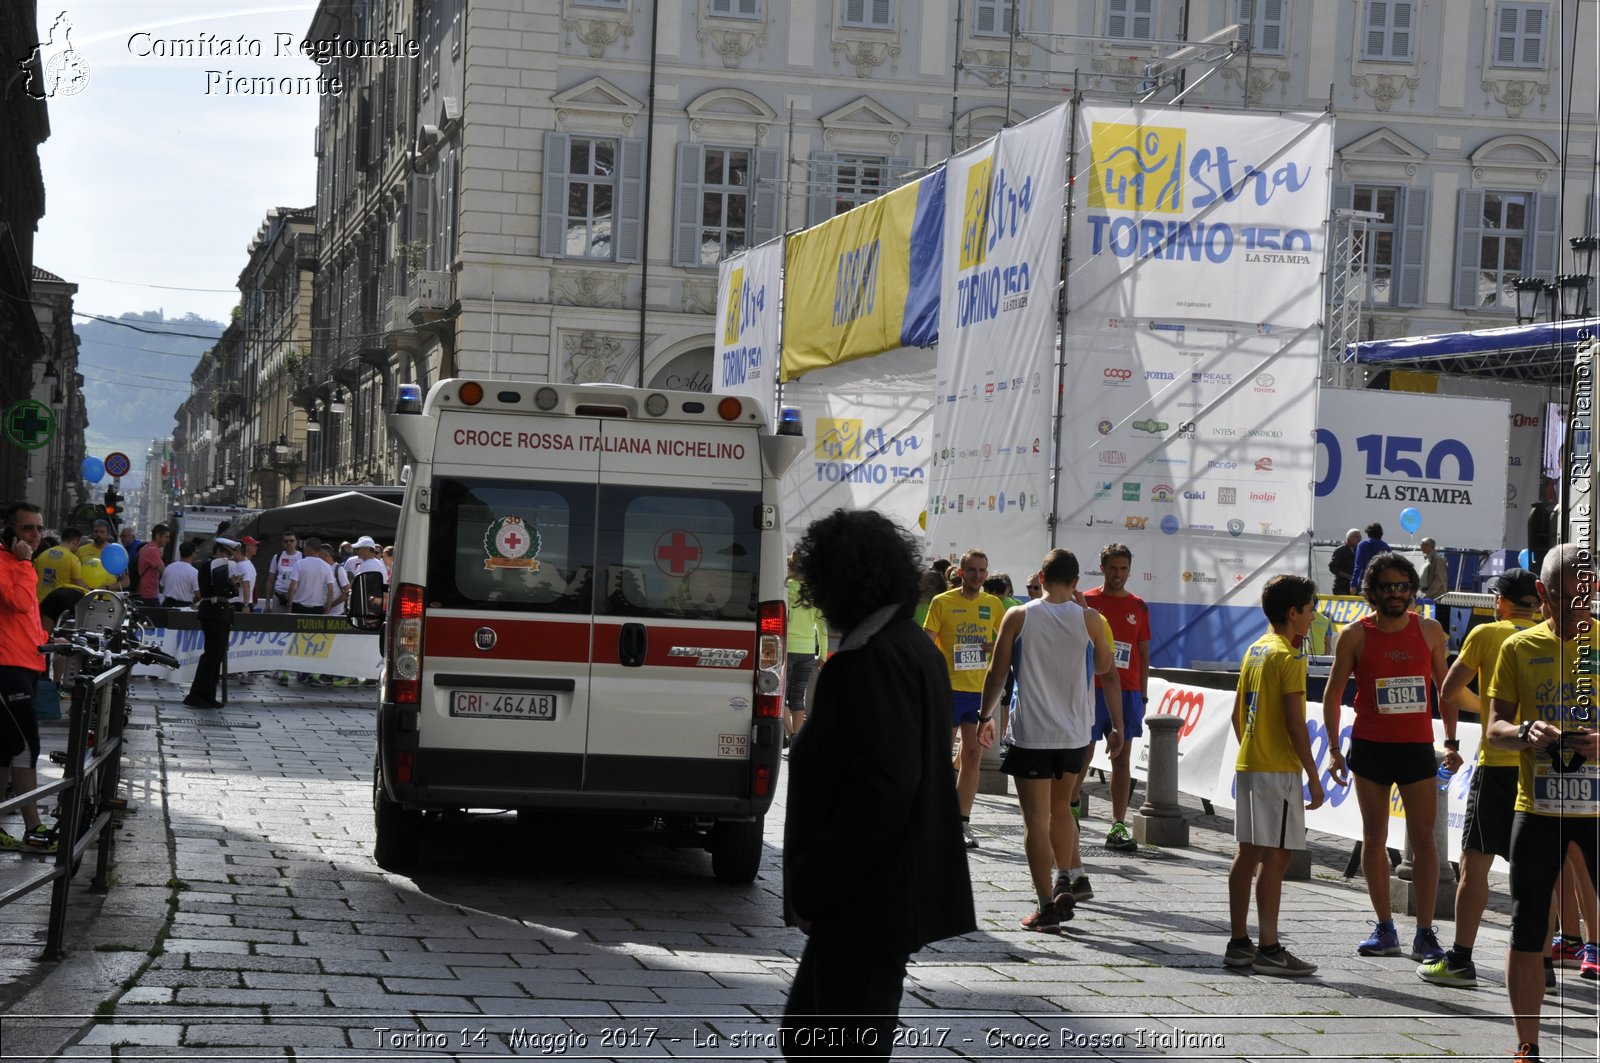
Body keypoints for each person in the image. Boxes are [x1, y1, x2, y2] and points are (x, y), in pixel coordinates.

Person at [780, 509, 975, 1059]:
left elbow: (882, 788)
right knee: (807, 1038)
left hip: (865, 898)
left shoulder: (872, 660)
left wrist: (817, 879)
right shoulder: (911, 646)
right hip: (878, 894)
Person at [1483, 543, 1600, 1063]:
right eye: (1561, 598)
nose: (1576, 609)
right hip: (1538, 810)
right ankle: (1527, 1046)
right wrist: (1526, 731)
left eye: (1583, 598)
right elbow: (1494, 729)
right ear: (1541, 594)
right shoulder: (1517, 648)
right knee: (1527, 927)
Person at [977, 548, 1120, 933]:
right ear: (1076, 583)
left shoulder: (1019, 616)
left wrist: (985, 716)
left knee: (1034, 821)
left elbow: (997, 671)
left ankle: (1045, 905)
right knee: (1062, 807)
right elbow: (1106, 666)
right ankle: (1069, 874)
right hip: (1075, 733)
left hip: (1032, 733)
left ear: (1040, 578)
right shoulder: (1091, 619)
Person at [1324, 552, 1456, 962]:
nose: (1396, 594)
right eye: (1387, 587)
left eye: (1403, 586)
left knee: (1425, 843)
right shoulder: (1355, 635)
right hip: (1371, 746)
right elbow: (1332, 694)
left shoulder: (1431, 630)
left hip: (1416, 748)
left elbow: (1445, 689)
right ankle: (1385, 928)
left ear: (1412, 591)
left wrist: (1451, 742)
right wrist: (1332, 750)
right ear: (1373, 592)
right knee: (1374, 837)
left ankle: (1425, 933)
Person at [1419, 568, 1542, 988]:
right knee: (1544, 869)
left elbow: (1449, 692)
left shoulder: (1487, 635)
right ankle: (1541, 965)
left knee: (1475, 865)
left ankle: (1461, 959)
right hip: (1540, 763)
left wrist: (1489, 709)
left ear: (1500, 602)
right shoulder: (1550, 636)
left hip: (1498, 762)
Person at [1226, 574, 1325, 976]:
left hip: (1250, 763)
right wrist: (1313, 776)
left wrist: (1254, 742)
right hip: (1277, 769)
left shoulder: (1255, 649)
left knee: (1247, 853)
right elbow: (1296, 724)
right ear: (1292, 613)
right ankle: (1269, 947)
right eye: (1309, 608)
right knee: (1278, 857)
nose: (1313, 614)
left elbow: (1237, 714)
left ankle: (1239, 942)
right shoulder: (1289, 656)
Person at [923, 548, 1005, 849]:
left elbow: (1003, 643)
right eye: (972, 571)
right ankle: (934, 817)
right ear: (961, 572)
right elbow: (928, 644)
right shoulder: (942, 602)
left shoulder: (993, 604)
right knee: (940, 757)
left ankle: (962, 821)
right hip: (947, 690)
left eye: (983, 571)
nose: (978, 576)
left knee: (973, 756)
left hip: (979, 692)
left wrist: (990, 649)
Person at [1079, 543, 1152, 852]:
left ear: (1130, 570)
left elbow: (1143, 652)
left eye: (1123, 569)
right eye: (1113, 568)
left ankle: (1118, 824)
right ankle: (1071, 810)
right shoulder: (1087, 601)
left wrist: (1144, 695)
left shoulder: (1139, 605)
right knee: (1083, 752)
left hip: (1128, 691)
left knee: (1122, 758)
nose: (1118, 574)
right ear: (1102, 567)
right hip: (1092, 688)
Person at [0, 502, 57, 852]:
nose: (35, 536)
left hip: (25, 662)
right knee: (24, 748)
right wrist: (23, 564)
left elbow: (24, 620)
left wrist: (48, 641)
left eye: (39, 528)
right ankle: (33, 828)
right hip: (7, 667)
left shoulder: (21, 565)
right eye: (27, 529)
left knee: (4, 751)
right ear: (9, 532)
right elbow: (18, 603)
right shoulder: (14, 565)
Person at [184, 538, 238, 708]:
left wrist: (232, 585)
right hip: (213, 612)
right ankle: (198, 694)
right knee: (212, 655)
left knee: (217, 655)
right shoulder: (211, 565)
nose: (228, 557)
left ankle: (208, 694)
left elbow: (230, 593)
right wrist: (228, 583)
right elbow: (211, 590)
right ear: (220, 550)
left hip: (221, 612)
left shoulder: (218, 565)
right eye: (227, 553)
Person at [785, 556, 826, 739]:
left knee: (781, 696)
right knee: (798, 696)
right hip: (807, 651)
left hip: (786, 650)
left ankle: (790, 733)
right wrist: (823, 654)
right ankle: (797, 738)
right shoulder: (814, 593)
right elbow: (822, 626)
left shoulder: (785, 590)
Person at [33, 526, 84, 600]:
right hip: (59, 604)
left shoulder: (42, 555)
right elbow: (79, 586)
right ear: (75, 542)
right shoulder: (73, 559)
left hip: (39, 602)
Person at [266, 531, 303, 613]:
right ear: (282, 543)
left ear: (296, 542)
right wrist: (267, 602)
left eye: (291, 541)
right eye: (286, 541)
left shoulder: (302, 557)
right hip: (278, 595)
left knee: (293, 623)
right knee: (278, 624)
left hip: (296, 596)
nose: (289, 543)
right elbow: (270, 580)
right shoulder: (277, 557)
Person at [134, 523, 170, 607]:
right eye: (166, 537)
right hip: (148, 596)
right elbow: (164, 572)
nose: (168, 540)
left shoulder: (146, 547)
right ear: (157, 536)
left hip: (142, 594)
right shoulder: (153, 551)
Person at [1349, 522, 1390, 594]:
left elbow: (1358, 566)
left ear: (1368, 533)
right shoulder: (1386, 547)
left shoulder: (1362, 545)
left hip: (1364, 581)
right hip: (1380, 582)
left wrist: (1353, 583)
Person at [160, 541, 201, 607]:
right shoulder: (194, 572)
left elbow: (162, 587)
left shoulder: (169, 567)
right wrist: (193, 602)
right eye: (196, 552)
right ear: (193, 554)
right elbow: (198, 595)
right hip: (184, 607)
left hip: (167, 605)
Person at [1329, 528, 1360, 596]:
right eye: (1357, 536)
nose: (1360, 538)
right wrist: (1347, 575)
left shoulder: (1358, 550)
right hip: (1342, 587)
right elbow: (1332, 567)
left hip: (1354, 587)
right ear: (1350, 537)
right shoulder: (1340, 550)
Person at [234, 536, 260, 612]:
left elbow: (247, 586)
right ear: (246, 547)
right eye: (253, 545)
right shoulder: (247, 564)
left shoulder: (243, 564)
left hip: (242, 603)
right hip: (246, 602)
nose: (256, 548)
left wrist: (246, 604)